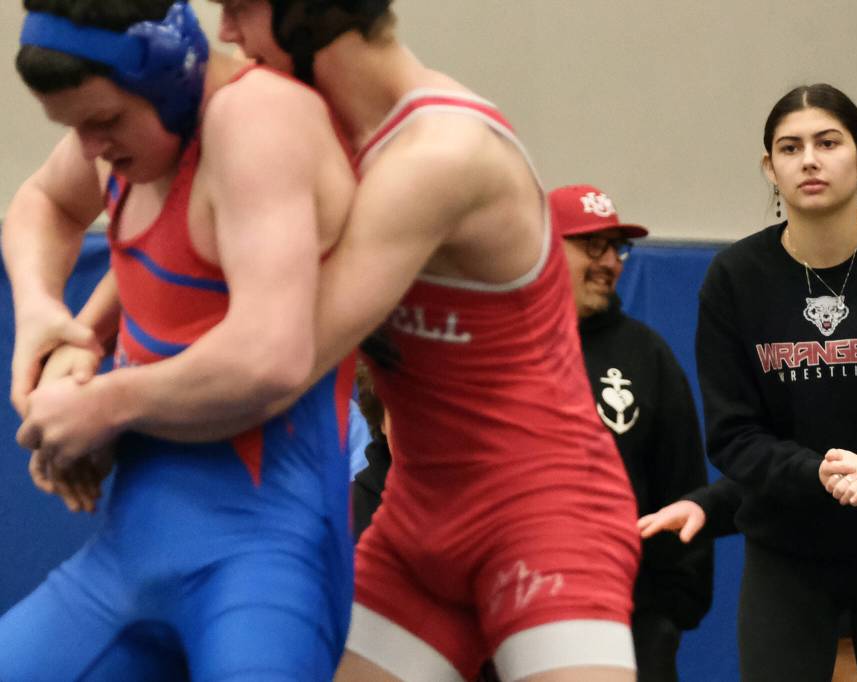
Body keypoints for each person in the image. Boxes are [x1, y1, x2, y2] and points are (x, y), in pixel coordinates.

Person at [16, 2, 640, 680]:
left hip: (546, 511)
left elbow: (275, 355)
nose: (224, 33)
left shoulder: (440, 154)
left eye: (240, 10)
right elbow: (160, 277)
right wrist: (81, 337)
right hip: (419, 517)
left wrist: (101, 406)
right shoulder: (322, 125)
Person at [1, 1, 358, 679]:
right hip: (131, 549)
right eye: (73, 128)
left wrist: (99, 405)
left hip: (261, 557)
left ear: (173, 76)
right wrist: (45, 312)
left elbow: (272, 356)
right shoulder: (118, 135)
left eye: (102, 122)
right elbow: (42, 202)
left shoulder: (257, 120)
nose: (89, 148)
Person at [644, 83, 857, 682]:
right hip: (788, 557)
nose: (809, 159)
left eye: (828, 142)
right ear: (769, 168)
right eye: (789, 147)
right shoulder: (735, 279)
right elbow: (732, 435)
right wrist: (817, 474)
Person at [549, 184, 712, 681]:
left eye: (616, 248)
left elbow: (683, 485)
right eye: (592, 246)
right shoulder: (507, 350)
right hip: (525, 609)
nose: (610, 263)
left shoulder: (647, 356)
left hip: (633, 619)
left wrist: (666, 616)